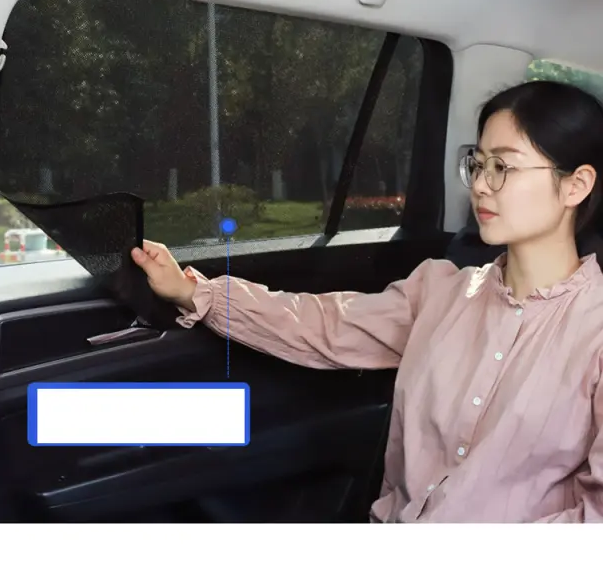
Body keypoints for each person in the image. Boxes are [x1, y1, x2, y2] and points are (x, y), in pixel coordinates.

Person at [131, 80, 603, 523]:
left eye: (504, 167)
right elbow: (324, 325)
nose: (480, 184)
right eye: (478, 165)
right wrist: (196, 292)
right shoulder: (441, 292)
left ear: (575, 185)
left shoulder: (594, 331)